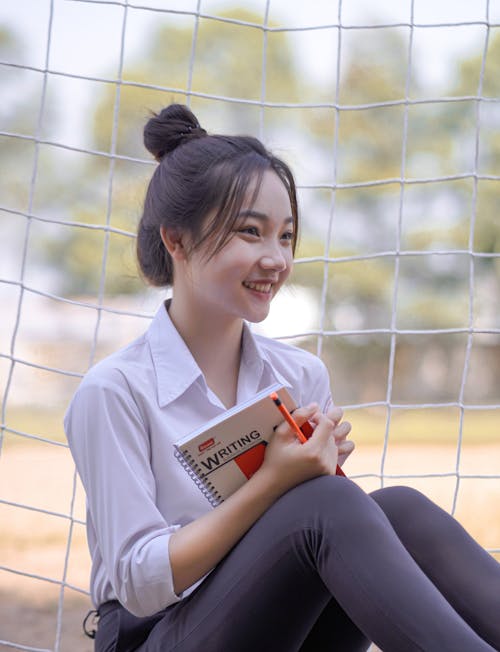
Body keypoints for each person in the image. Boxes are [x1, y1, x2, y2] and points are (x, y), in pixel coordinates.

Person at [65, 103, 500, 652]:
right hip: (156, 636)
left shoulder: (299, 374)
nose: (275, 259)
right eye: (251, 233)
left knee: (399, 510)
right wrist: (276, 484)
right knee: (326, 506)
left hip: (282, 631)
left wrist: (319, 471)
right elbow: (139, 583)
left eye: (286, 237)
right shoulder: (115, 392)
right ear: (175, 240)